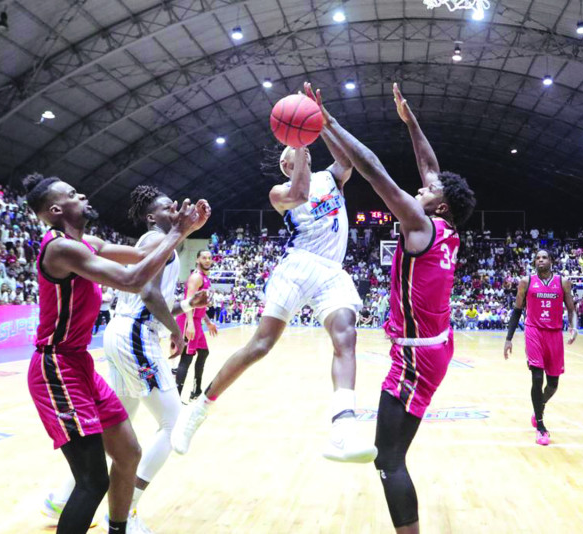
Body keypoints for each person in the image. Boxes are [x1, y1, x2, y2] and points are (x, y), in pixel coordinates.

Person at [305, 82, 475, 533]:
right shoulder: (448, 227)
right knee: (392, 457)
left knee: (388, 461)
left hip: (416, 356)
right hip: (432, 345)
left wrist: (330, 122)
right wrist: (411, 121)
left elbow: (374, 170)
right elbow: (430, 165)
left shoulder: (420, 224)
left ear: (441, 203)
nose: (424, 186)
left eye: (431, 188)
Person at [172, 112, 377, 464]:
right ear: (286, 164)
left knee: (346, 337)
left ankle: (343, 428)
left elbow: (347, 160)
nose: (297, 153)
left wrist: (322, 123)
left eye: (300, 149)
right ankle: (199, 409)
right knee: (261, 346)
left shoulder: (330, 178)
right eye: (290, 154)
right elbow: (299, 192)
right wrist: (298, 144)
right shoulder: (279, 191)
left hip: (332, 272)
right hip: (297, 266)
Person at [22, 173, 209, 534]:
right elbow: (133, 280)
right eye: (74, 194)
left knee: (128, 454)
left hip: (80, 363)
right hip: (55, 367)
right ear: (58, 209)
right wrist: (176, 232)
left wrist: (185, 230)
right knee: (92, 481)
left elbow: (141, 254)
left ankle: (118, 528)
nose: (84, 195)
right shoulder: (61, 247)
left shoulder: (85, 241)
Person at [503, 250, 578, 446]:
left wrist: (573, 326)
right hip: (534, 331)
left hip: (554, 333)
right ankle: (541, 427)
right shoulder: (526, 282)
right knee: (537, 377)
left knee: (553, 385)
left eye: (544, 257)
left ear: (551, 261)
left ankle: (540, 406)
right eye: (538, 258)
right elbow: (517, 310)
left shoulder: (563, 282)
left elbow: (571, 309)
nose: (541, 260)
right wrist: (508, 338)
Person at [176, 250, 218, 402]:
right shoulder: (196, 277)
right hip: (190, 320)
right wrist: (190, 325)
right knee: (186, 358)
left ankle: (196, 390)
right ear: (197, 260)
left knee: (204, 352)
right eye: (204, 258)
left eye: (209, 258)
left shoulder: (205, 278)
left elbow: (199, 305)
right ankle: (176, 398)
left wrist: (208, 322)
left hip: (197, 321)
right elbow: (188, 302)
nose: (207, 260)